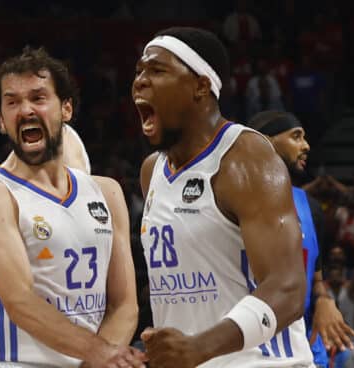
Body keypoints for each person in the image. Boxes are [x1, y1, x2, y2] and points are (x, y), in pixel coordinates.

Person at [134, 27, 313, 367]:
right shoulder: (151, 172)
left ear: (201, 85)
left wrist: (201, 346)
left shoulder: (245, 157)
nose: (140, 82)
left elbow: (289, 288)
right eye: (139, 72)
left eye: (156, 70)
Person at [0, 47, 142, 367]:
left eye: (38, 98)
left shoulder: (107, 193)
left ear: (66, 109)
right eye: (12, 102)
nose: (26, 109)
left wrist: (97, 361)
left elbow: (125, 304)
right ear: (1, 121)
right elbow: (21, 301)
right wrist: (101, 353)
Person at [248, 110, 354, 367]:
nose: (306, 146)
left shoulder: (310, 206)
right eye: (296, 137)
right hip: (252, 347)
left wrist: (324, 300)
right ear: (265, 141)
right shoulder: (230, 205)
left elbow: (316, 277)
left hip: (305, 345)